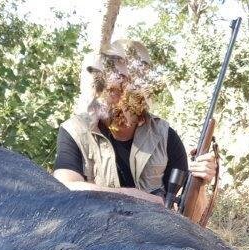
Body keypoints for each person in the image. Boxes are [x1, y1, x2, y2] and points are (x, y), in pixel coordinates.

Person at [52, 39, 217, 205]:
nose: (126, 89)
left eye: (134, 82)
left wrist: (200, 184)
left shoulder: (164, 135)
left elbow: (190, 217)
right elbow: (65, 188)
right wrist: (134, 196)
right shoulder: (75, 130)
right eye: (119, 79)